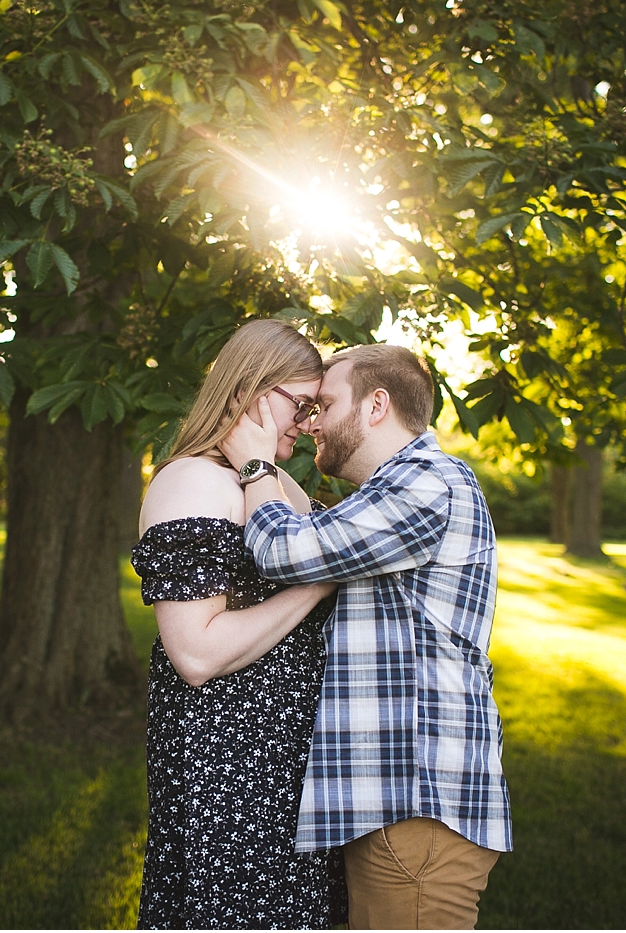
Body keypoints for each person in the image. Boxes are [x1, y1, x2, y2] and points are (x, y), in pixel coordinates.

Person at [221, 343, 511, 931]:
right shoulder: (388, 495)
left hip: (414, 808)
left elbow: (285, 551)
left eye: (324, 404)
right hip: (398, 809)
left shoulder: (430, 482)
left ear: (377, 405)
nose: (310, 423)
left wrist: (256, 465)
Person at [131, 318, 348, 930]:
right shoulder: (191, 482)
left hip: (290, 760)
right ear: (252, 388)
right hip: (228, 763)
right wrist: (316, 583)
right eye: (301, 404)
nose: (309, 424)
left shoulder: (273, 483)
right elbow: (194, 654)